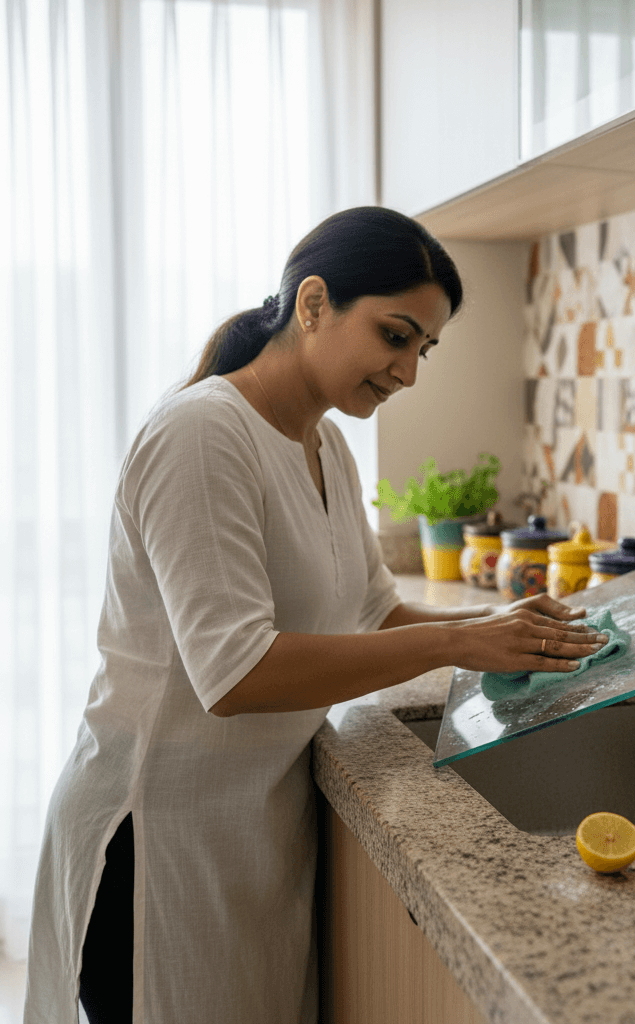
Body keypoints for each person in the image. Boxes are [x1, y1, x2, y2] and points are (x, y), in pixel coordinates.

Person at [23, 206, 605, 1023]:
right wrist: (462, 639)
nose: (408, 372)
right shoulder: (202, 434)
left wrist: (505, 629)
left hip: (252, 829)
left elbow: (370, 610)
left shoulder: (324, 442)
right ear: (313, 304)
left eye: (423, 349)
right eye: (395, 336)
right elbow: (234, 672)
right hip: (158, 837)